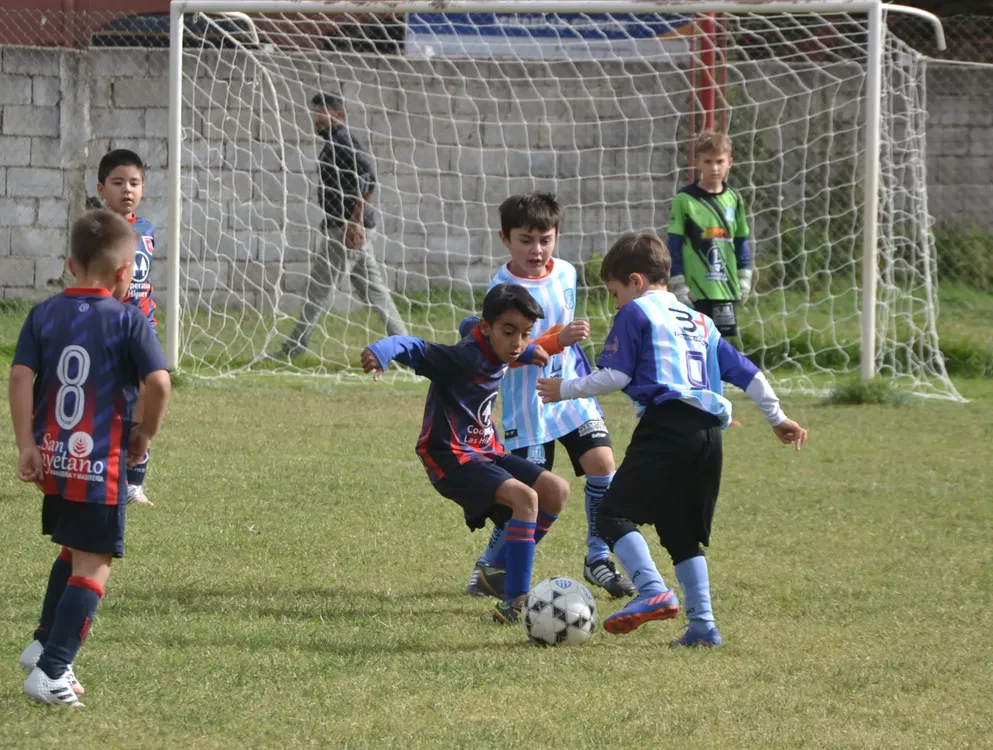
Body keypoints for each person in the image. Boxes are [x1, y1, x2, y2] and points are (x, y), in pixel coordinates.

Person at [537, 232, 807, 647]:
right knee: (681, 533)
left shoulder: (637, 313)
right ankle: (703, 626)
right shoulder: (701, 321)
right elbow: (748, 372)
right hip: (708, 434)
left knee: (612, 515)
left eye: (615, 293)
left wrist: (565, 388)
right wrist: (778, 417)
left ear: (636, 281)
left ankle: (652, 591)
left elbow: (617, 376)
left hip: (667, 426)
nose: (616, 304)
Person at [12, 209, 171, 705]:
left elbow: (19, 377)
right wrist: (144, 435)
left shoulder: (42, 314)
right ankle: (53, 671)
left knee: (73, 547)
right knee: (94, 562)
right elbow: (159, 382)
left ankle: (42, 645)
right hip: (99, 465)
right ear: (126, 272)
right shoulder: (128, 319)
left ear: (69, 263)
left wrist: (25, 444)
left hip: (55, 459)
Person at [361, 283, 570, 624]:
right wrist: (382, 350)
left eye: (524, 333)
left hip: (485, 449)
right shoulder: (462, 360)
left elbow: (467, 322)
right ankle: (514, 602)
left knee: (556, 491)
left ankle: (495, 571)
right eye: (509, 332)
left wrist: (529, 352)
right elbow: (415, 346)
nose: (517, 342)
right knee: (526, 499)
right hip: (450, 456)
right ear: (487, 329)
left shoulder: (497, 342)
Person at [464, 192, 635, 601]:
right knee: (533, 494)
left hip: (570, 391)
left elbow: (566, 338)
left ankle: (597, 558)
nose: (536, 249)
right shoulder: (502, 288)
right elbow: (508, 350)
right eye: (525, 240)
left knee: (603, 462)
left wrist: (581, 362)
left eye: (545, 239)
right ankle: (490, 566)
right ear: (505, 239)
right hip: (527, 402)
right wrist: (558, 340)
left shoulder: (567, 274)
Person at [283, 92, 407, 356]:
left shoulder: (343, 141)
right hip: (347, 228)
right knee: (376, 293)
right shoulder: (332, 143)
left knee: (318, 289)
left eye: (321, 113)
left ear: (338, 115)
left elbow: (368, 177)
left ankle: (292, 349)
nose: (316, 119)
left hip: (347, 230)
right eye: (315, 113)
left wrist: (355, 221)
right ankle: (408, 348)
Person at [96, 148, 159, 505]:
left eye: (134, 183)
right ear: (102, 188)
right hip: (106, 327)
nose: (127, 190)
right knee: (108, 403)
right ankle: (100, 472)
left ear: (143, 188)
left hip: (142, 326)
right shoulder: (95, 230)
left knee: (146, 395)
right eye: (118, 182)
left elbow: (143, 277)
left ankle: (134, 482)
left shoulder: (147, 229)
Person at [667, 129, 754, 339]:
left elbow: (741, 241)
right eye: (708, 162)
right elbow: (674, 244)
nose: (714, 168)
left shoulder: (734, 199)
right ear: (697, 162)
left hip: (725, 288)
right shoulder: (684, 199)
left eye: (719, 161)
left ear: (729, 163)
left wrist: (745, 278)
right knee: (694, 343)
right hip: (695, 290)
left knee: (722, 348)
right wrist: (678, 282)